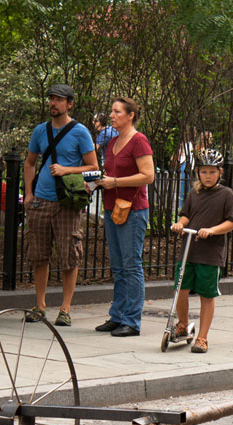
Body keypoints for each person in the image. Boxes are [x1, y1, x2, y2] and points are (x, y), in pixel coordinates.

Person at [23, 83, 99, 327]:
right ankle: (40, 305)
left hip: (67, 202)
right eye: (51, 99)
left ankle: (65, 308)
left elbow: (93, 167)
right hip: (41, 201)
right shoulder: (40, 131)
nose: (53, 103)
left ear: (70, 104)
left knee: (69, 256)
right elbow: (30, 163)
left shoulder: (80, 132)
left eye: (59, 99)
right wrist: (28, 194)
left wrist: (67, 169)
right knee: (39, 254)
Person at [93, 97, 155, 337]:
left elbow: (148, 176)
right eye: (111, 111)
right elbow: (110, 173)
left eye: (117, 111)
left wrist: (115, 182)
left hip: (134, 209)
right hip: (112, 207)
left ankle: (131, 320)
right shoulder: (112, 142)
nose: (111, 115)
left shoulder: (139, 141)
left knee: (131, 265)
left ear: (130, 115)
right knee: (118, 266)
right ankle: (118, 316)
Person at [169, 149, 233, 353]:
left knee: (206, 295)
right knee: (180, 289)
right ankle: (183, 325)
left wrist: (212, 230)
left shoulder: (226, 194)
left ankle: (202, 337)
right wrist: (179, 224)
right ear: (198, 173)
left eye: (212, 172)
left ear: (219, 173)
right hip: (189, 251)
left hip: (210, 254)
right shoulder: (194, 194)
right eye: (204, 172)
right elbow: (186, 216)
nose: (208, 176)